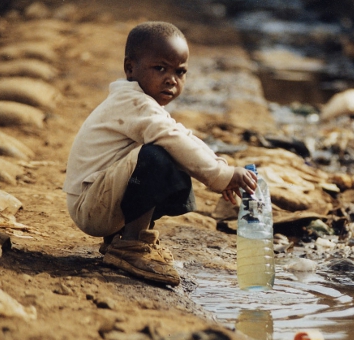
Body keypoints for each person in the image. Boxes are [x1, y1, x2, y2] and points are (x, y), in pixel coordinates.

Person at [63, 21, 257, 286]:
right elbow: (174, 139)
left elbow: (183, 136)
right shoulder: (132, 102)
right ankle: (130, 245)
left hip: (101, 200)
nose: (171, 79)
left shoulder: (143, 104)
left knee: (173, 155)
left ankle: (122, 238)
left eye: (180, 72)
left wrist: (221, 167)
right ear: (130, 68)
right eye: (160, 68)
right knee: (159, 156)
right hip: (91, 206)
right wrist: (222, 175)